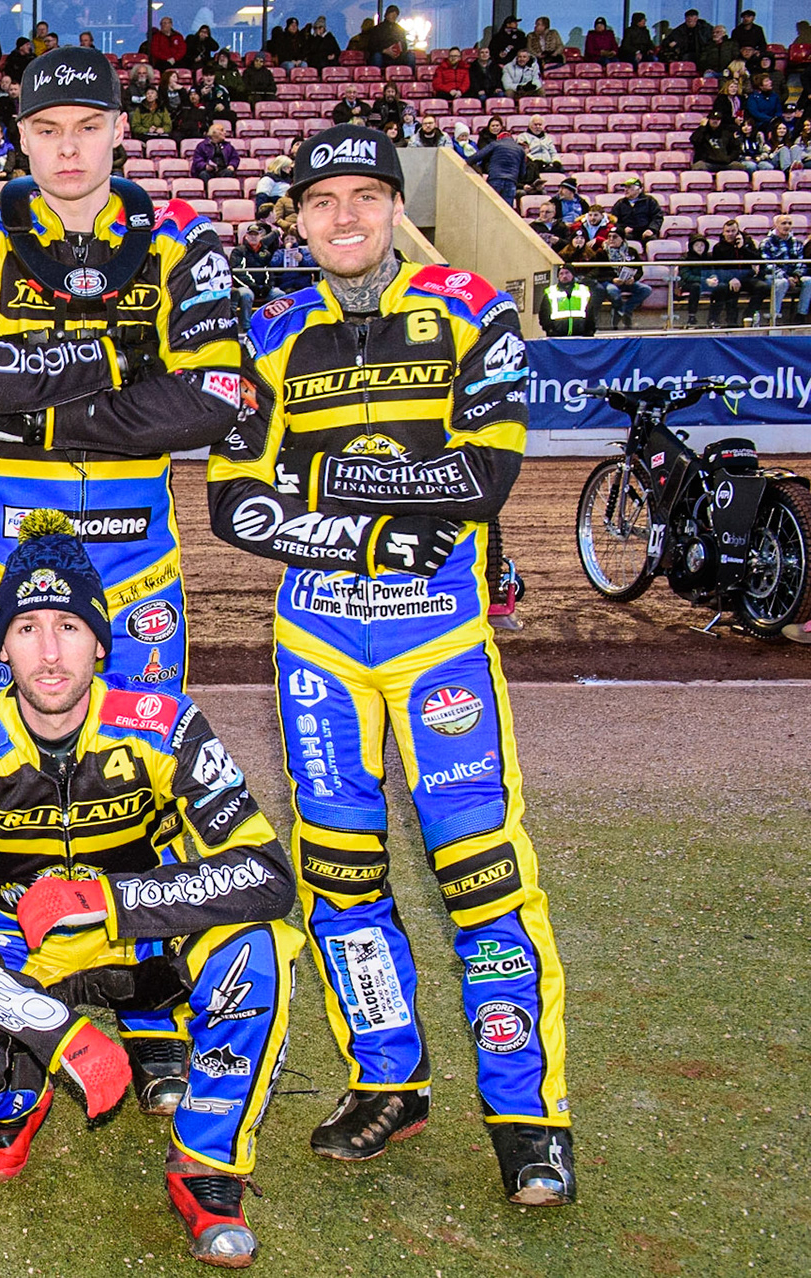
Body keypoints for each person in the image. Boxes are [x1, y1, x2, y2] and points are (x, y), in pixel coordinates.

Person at [207, 125, 575, 1208]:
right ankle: (389, 1083)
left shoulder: (469, 303)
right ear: (299, 219)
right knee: (340, 882)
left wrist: (321, 502)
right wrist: (373, 532)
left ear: (395, 208)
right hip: (317, 648)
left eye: (367, 196)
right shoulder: (270, 333)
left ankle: (528, 1120)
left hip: (439, 645)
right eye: (323, 202)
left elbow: (485, 478)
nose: (346, 218)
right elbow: (237, 505)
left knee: (481, 879)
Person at [0, 509, 302, 1266]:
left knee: (259, 944)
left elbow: (268, 876)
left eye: (70, 628)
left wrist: (108, 902)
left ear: (102, 643)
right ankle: (20, 1090)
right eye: (28, 628)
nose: (49, 652)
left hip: (141, 934)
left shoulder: (167, 727)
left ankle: (206, 1168)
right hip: (18, 949)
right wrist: (54, 1030)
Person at [0, 45, 244, 707]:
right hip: (11, 546)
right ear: (21, 135)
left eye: (88, 127)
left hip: (137, 555)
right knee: (4, 760)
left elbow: (211, 398)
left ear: (120, 128)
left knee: (144, 755)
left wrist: (26, 409)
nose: (69, 149)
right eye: (49, 129)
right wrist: (119, 364)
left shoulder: (180, 235)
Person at [592, 228, 651, 328]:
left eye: (615, 237)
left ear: (622, 239)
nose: (611, 239)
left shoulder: (631, 252)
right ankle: (619, 311)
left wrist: (633, 279)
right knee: (613, 291)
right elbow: (598, 273)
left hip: (627, 282)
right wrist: (612, 280)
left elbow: (639, 270)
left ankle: (625, 309)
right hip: (609, 282)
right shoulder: (601, 253)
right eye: (609, 236)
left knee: (646, 290)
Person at [759, 214, 809, 325]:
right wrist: (786, 277)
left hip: (794, 276)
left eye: (789, 223)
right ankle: (774, 316)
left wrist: (796, 275)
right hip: (773, 276)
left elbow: (801, 262)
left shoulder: (797, 243)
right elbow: (768, 265)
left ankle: (801, 315)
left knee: (809, 281)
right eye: (783, 223)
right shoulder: (766, 243)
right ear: (776, 225)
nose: (787, 226)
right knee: (782, 282)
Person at [536, 262, 597, 335]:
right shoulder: (550, 292)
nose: (564, 276)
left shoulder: (584, 290)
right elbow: (544, 314)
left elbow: (590, 312)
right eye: (561, 274)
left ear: (572, 275)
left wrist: (589, 330)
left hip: (580, 335)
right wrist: (550, 330)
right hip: (557, 337)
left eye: (567, 273)